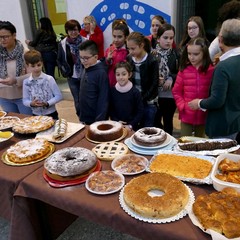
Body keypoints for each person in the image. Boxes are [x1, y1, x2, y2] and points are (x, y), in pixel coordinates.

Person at [188, 19, 240, 140]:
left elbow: (217, 100)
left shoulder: (223, 67)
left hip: (223, 126)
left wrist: (199, 103)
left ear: (220, 39)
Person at [172, 37, 214, 137]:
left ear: (204, 53)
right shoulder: (184, 70)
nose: (192, 57)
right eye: (189, 54)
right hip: (187, 114)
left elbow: (213, 92)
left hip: (204, 115)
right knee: (184, 141)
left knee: (201, 142)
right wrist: (182, 106)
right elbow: (176, 91)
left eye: (196, 54)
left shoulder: (211, 70)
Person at [126, 32, 159, 127]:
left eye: (133, 48)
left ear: (141, 45)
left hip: (148, 101)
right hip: (134, 101)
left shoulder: (152, 60)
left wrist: (144, 97)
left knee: (147, 127)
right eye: (129, 48)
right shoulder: (129, 58)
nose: (130, 52)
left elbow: (154, 83)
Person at [0, 21, 32, 115]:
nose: (2, 40)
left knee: (26, 124)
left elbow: (33, 74)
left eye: (5, 37)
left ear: (14, 35)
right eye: (0, 37)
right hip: (4, 96)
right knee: (12, 124)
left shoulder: (25, 53)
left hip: (23, 96)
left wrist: (15, 80)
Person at [154, 23, 180, 135]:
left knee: (168, 122)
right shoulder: (152, 54)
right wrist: (156, 79)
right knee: (155, 122)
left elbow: (181, 72)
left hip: (169, 94)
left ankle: (168, 148)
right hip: (155, 95)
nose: (168, 41)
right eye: (165, 38)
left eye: (171, 38)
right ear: (158, 38)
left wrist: (171, 78)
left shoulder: (176, 54)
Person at [22, 50, 62, 119]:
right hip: (36, 114)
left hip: (51, 113)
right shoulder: (26, 82)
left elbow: (59, 96)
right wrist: (31, 103)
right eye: (33, 66)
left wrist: (47, 103)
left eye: (38, 65)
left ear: (42, 63)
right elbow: (25, 100)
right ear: (27, 65)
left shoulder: (49, 79)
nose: (36, 68)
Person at [57, 19, 85, 117]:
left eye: (75, 30)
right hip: (71, 77)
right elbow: (59, 60)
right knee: (77, 99)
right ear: (67, 31)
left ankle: (88, 117)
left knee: (86, 98)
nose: (73, 32)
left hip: (85, 75)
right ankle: (81, 118)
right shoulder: (63, 44)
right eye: (70, 30)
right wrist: (65, 72)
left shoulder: (85, 41)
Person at [78, 40, 109, 124]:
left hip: (96, 119)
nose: (83, 61)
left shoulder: (101, 73)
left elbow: (103, 98)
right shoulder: (86, 67)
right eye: (81, 57)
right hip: (85, 115)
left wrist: (99, 120)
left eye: (86, 58)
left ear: (95, 57)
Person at [109, 61, 143, 131]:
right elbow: (111, 110)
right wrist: (117, 122)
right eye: (118, 75)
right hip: (117, 126)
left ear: (129, 74)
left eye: (124, 74)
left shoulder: (135, 92)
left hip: (132, 127)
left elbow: (140, 111)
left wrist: (131, 125)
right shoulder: (112, 91)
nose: (121, 77)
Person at [105, 20, 129, 87]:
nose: (116, 39)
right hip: (110, 85)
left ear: (126, 37)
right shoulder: (109, 50)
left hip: (123, 86)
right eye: (114, 36)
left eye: (119, 37)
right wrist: (107, 60)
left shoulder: (128, 52)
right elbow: (104, 68)